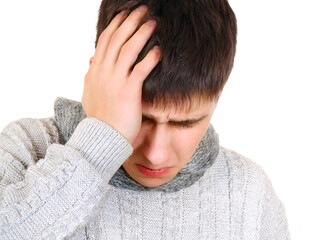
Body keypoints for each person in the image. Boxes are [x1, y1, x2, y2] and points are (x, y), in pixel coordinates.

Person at [0, 0, 290, 239]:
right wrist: (97, 145)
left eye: (185, 123)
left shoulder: (249, 194)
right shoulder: (26, 149)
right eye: (140, 118)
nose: (155, 155)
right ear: (97, 76)